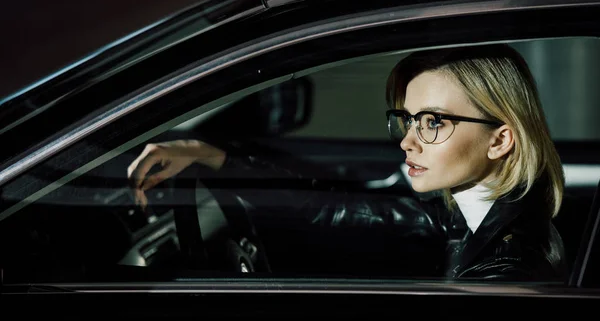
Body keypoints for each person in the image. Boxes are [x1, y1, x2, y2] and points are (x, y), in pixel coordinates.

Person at [127, 43, 567, 281]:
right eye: (408, 121)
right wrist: (214, 158)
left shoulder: (507, 269)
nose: (408, 142)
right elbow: (332, 211)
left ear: (500, 140)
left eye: (433, 122)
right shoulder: (463, 212)